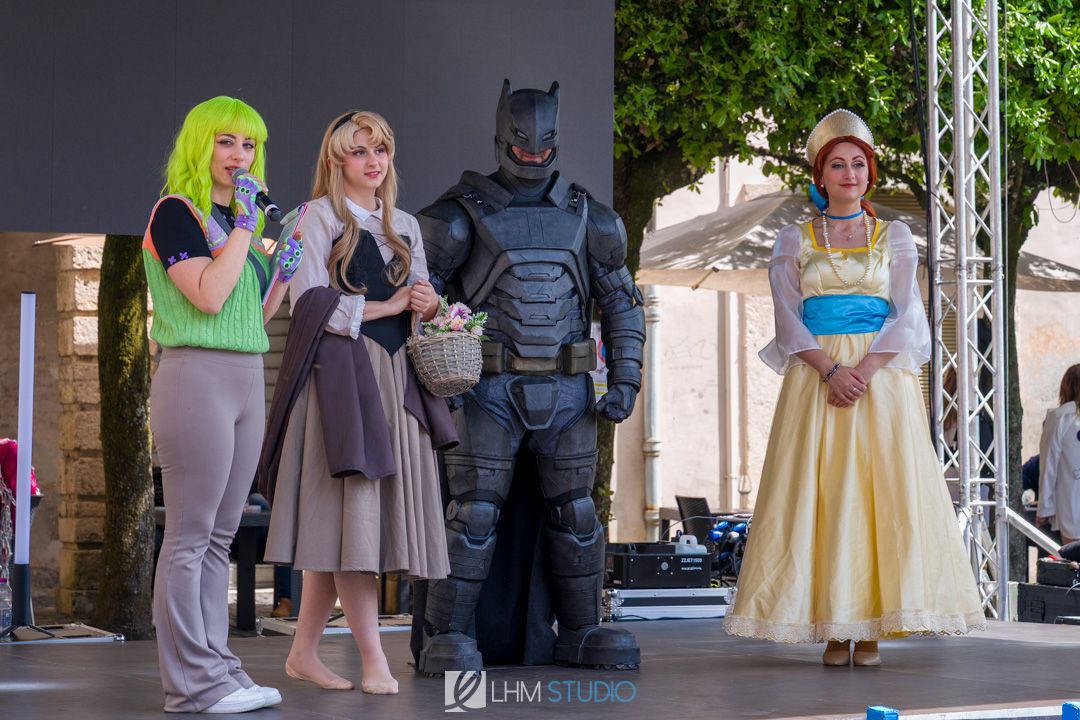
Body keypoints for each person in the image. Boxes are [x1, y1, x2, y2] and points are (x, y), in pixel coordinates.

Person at [723, 109, 985, 666]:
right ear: (820, 175)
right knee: (822, 494)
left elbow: (907, 315)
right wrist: (831, 371)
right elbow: (788, 318)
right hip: (817, 380)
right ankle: (832, 625)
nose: (849, 173)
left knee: (877, 493)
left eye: (858, 163)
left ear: (871, 173)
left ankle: (870, 627)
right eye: (838, 164)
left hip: (880, 381)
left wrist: (861, 372)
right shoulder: (794, 238)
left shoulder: (896, 236)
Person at [410, 80, 644, 674]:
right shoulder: (457, 216)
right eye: (522, 142)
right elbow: (418, 300)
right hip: (484, 389)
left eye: (543, 142)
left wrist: (626, 376)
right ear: (502, 137)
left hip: (568, 391)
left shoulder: (590, 216)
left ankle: (582, 631)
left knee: (578, 513)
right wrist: (435, 378)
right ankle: (446, 636)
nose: (533, 152)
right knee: (473, 514)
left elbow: (622, 302)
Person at [259, 111, 456, 694]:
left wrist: (427, 303)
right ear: (336, 159)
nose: (374, 162)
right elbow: (308, 303)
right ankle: (374, 659)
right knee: (355, 520)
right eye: (360, 151)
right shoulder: (313, 218)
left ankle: (303, 653)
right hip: (341, 381)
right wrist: (388, 306)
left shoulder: (405, 225)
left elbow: (420, 303)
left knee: (341, 527)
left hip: (397, 380)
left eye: (381, 150)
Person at [144, 96, 300, 714]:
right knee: (190, 536)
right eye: (227, 141)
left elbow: (249, 316)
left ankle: (220, 671)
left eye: (250, 144)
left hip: (243, 374)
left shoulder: (241, 224)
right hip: (195, 375)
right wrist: (244, 230)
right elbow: (207, 298)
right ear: (200, 145)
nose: (240, 155)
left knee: (220, 537)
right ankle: (192, 687)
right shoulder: (175, 214)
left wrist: (279, 271)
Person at [1037, 363, 1080, 545]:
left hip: (1072, 504)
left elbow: (1048, 465)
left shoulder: (1060, 418)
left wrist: (1044, 508)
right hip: (1071, 503)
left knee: (1074, 558)